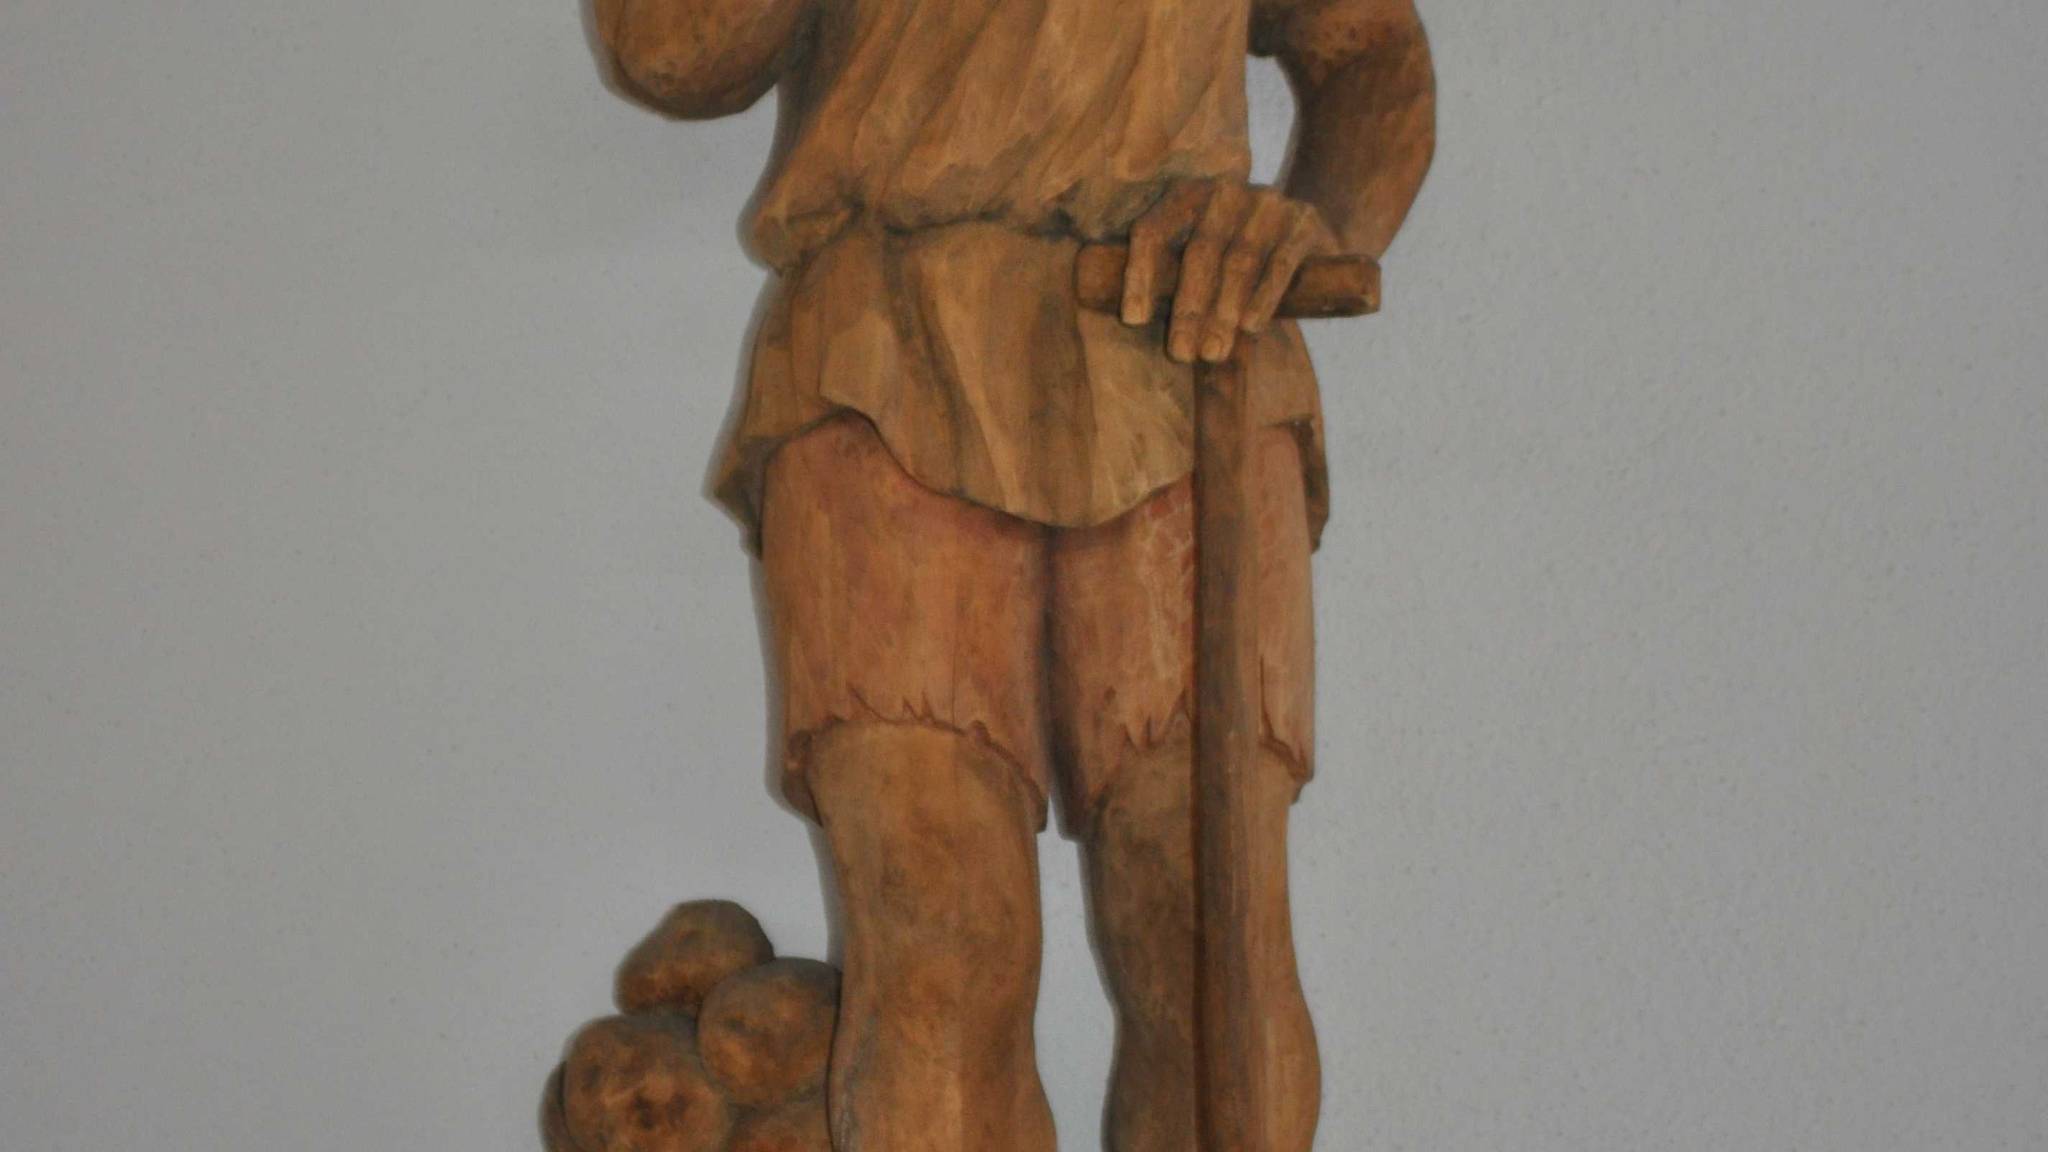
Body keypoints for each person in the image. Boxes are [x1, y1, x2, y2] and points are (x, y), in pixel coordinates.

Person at [592, 0, 1434, 1145]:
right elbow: (673, 52)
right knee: (937, 931)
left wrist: (1308, 228)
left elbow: (1368, 47)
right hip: (876, 348)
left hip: (1182, 334)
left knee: (1204, 931)